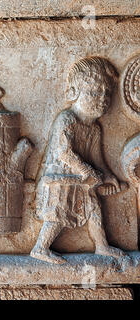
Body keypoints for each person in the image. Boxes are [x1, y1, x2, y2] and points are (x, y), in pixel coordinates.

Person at [30, 57, 126, 264]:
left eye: (106, 93)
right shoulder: (67, 119)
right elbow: (63, 152)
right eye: (94, 92)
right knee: (57, 214)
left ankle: (101, 246)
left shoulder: (94, 128)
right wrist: (88, 172)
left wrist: (108, 176)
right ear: (74, 92)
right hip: (59, 179)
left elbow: (97, 158)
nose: (102, 98)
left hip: (80, 181)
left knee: (93, 208)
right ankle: (40, 247)